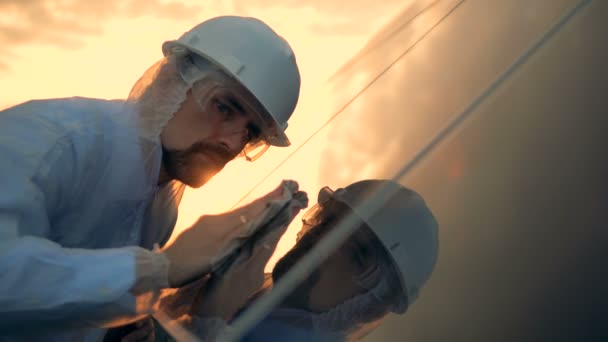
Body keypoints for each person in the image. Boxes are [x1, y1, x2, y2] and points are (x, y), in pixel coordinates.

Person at [0, 16, 301, 341]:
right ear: (172, 80)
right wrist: (158, 270)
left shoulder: (161, 207)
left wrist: (110, 329)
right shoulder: (52, 140)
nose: (232, 142)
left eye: (250, 132)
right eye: (224, 107)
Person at [151, 179, 439, 341]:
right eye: (328, 222)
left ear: (374, 305)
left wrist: (205, 322)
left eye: (357, 252)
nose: (324, 242)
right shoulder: (250, 303)